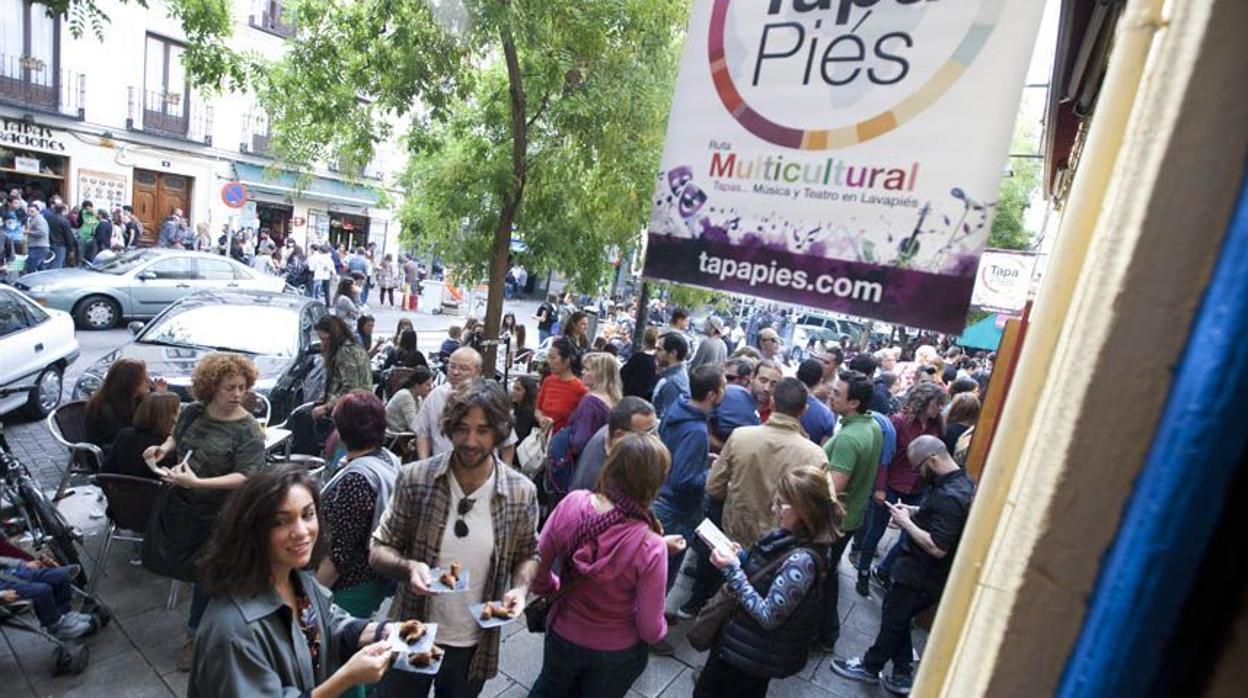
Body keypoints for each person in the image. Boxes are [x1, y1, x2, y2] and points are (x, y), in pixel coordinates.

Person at [369, 380, 539, 697]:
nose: (471, 441)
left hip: (474, 643)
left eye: (483, 430)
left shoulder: (520, 492)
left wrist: (520, 587)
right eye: (462, 428)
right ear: (448, 428)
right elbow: (378, 549)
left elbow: (529, 554)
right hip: (414, 629)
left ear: (500, 433)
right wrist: (408, 568)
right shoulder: (416, 478)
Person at [188, 466, 395, 697]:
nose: (301, 532)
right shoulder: (233, 631)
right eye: (280, 522)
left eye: (307, 515)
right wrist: (346, 678)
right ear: (251, 530)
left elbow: (323, 625)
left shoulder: (297, 580)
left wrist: (386, 633)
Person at [140, 353, 267, 671]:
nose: (237, 394)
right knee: (194, 569)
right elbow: (176, 437)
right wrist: (164, 450)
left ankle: (196, 637)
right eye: (229, 388)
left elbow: (247, 476)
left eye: (241, 387)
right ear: (211, 387)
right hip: (186, 505)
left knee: (205, 576)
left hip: (224, 514)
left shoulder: (248, 429)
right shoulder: (194, 411)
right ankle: (223, 628)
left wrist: (200, 482)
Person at [529, 433, 675, 698]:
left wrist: (555, 586)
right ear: (655, 484)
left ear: (612, 466)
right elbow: (650, 629)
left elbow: (537, 571)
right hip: (617, 652)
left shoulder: (572, 504)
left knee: (549, 688)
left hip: (563, 631)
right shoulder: (650, 545)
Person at [832, 436, 975, 694]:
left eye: (918, 467)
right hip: (919, 572)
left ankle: (870, 666)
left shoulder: (951, 496)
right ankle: (901, 673)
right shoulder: (958, 483)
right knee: (897, 617)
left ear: (932, 460)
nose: (917, 474)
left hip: (921, 574)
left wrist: (906, 522)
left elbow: (938, 547)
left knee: (893, 619)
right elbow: (938, 517)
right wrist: (912, 511)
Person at [695, 467, 842, 698]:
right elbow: (768, 574)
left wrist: (732, 570)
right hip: (746, 649)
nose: (775, 510)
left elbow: (768, 615)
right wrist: (741, 558)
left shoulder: (802, 561)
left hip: (750, 657)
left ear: (805, 509)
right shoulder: (798, 535)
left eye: (782, 504)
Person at [318, 392, 402, 661]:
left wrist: (310, 596)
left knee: (340, 661)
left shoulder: (355, 481)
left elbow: (337, 553)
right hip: (373, 578)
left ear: (341, 432)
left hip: (350, 585)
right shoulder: (387, 457)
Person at [706, 378, 826, 553]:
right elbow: (818, 513)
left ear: (772, 402)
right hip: (776, 549)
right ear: (804, 410)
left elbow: (714, 487)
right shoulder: (815, 456)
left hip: (733, 537)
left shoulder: (740, 437)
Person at [820, 370, 883, 652]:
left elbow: (832, 488)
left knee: (823, 577)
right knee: (828, 572)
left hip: (836, 519)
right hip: (853, 515)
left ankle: (824, 634)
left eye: (837, 394)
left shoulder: (848, 439)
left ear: (854, 403)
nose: (830, 396)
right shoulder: (872, 426)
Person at [869, 381, 948, 588]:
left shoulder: (936, 426)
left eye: (942, 404)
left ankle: (883, 570)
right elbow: (884, 456)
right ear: (924, 401)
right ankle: (862, 569)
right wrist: (879, 487)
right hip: (893, 481)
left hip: (918, 486)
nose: (940, 408)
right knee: (876, 529)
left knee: (909, 535)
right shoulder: (899, 421)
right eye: (937, 403)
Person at [655, 364, 724, 592]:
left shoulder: (679, 408)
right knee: (662, 576)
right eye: (722, 387)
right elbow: (684, 481)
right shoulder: (696, 430)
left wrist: (702, 458)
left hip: (659, 499)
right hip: (675, 511)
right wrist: (709, 473)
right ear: (712, 394)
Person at [413, 347, 516, 462]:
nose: (455, 372)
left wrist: (505, 472)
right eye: (452, 366)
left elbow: (508, 443)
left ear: (478, 372)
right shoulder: (436, 395)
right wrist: (424, 464)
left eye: (463, 368)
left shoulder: (490, 399)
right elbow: (422, 433)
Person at [0, 544, 92, 640]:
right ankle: (55, 626)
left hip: (7, 573)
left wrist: (23, 564)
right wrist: (2, 594)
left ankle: (65, 614)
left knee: (60, 575)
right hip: (3, 587)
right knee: (42, 590)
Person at [568, 397, 659, 493]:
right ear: (619, 435)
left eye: (656, 429)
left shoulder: (614, 436)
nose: (656, 438)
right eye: (648, 434)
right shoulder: (601, 476)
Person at [557, 352, 621, 481]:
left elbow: (578, 442)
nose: (582, 372)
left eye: (587, 369)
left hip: (583, 467)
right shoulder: (614, 400)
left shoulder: (590, 402)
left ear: (600, 374)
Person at [84, 357, 164, 449]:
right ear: (130, 382)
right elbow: (129, 436)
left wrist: (159, 398)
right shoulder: (105, 408)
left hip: (130, 448)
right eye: (143, 378)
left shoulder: (136, 399)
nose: (148, 381)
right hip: (111, 453)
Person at [103, 391, 181, 479]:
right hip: (157, 491)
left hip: (119, 490)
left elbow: (106, 470)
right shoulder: (167, 446)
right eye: (179, 409)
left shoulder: (124, 435)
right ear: (171, 416)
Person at [711, 358, 782, 449]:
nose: (766, 388)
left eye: (773, 384)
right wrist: (725, 449)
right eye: (763, 381)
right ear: (752, 378)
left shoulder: (777, 413)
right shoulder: (729, 396)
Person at [535, 337, 587, 435]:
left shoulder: (580, 389)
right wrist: (541, 419)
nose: (549, 361)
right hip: (542, 437)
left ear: (567, 360)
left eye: (553, 358)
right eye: (548, 357)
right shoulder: (548, 381)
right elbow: (538, 409)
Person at [796, 358, 837, 446]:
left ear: (796, 374)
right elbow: (823, 450)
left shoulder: (780, 398)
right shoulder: (826, 415)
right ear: (819, 381)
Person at [385, 366, 435, 435]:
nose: (431, 388)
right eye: (427, 385)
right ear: (416, 385)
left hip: (403, 435)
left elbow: (423, 421)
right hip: (394, 438)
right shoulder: (406, 396)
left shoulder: (418, 398)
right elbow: (414, 427)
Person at [651, 332, 690, 420]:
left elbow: (667, 419)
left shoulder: (672, 383)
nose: (654, 353)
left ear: (673, 353)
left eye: (659, 349)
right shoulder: (676, 375)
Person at [621, 326, 660, 400]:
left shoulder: (637, 358)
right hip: (645, 402)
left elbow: (622, 374)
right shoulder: (657, 363)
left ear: (644, 340)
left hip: (629, 398)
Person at [510, 375, 540, 443]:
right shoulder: (517, 408)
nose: (514, 391)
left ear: (527, 393)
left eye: (518, 389)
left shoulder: (527, 412)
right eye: (514, 388)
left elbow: (519, 436)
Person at [24, 203, 49, 272]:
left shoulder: (39, 220)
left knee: (32, 268)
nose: (29, 213)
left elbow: (42, 232)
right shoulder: (33, 219)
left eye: (32, 211)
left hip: (39, 247)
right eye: (28, 211)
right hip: (37, 246)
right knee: (40, 268)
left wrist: (28, 232)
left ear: (38, 211)